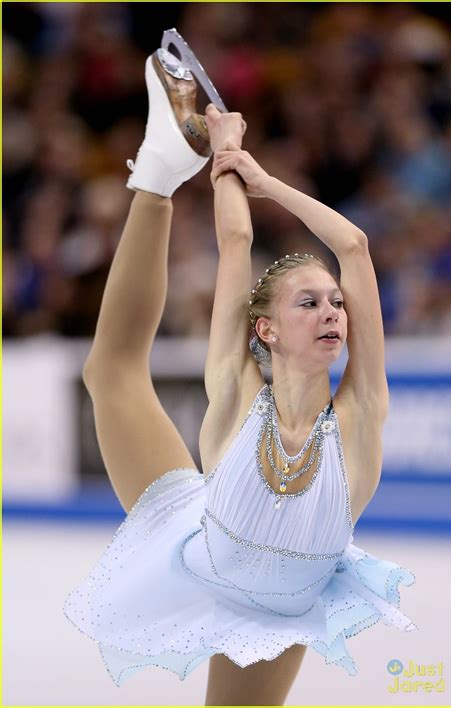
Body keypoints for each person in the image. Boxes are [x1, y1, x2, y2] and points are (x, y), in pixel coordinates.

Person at [64, 45, 417, 706]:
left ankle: (169, 164)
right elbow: (235, 243)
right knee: (109, 370)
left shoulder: (362, 415)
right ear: (268, 330)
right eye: (308, 303)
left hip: (276, 614)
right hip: (194, 544)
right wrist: (224, 157)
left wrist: (265, 179)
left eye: (337, 303)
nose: (332, 312)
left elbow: (354, 247)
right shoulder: (234, 393)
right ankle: (160, 172)